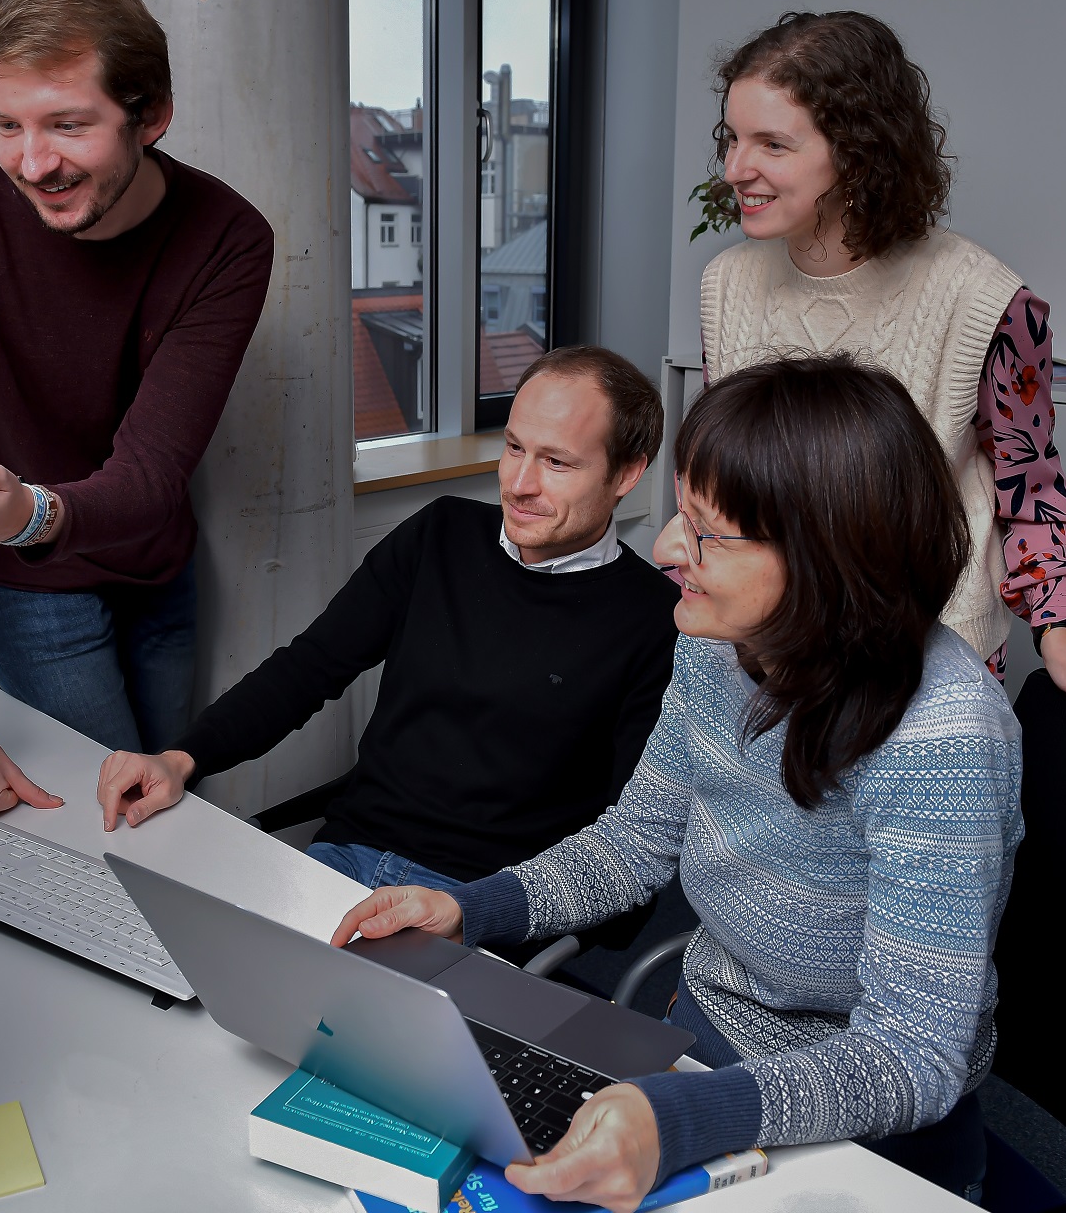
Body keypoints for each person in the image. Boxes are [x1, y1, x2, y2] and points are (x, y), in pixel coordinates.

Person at [335, 354, 1023, 1210]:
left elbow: (914, 1056)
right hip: (698, 1039)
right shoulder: (716, 642)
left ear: (828, 559)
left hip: (863, 1126)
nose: (665, 549)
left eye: (707, 533)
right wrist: (473, 908)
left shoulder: (942, 740)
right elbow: (635, 843)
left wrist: (684, 1117)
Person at [0, 0, 274, 820]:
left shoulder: (227, 239)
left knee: (172, 808)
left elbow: (150, 474)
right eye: (6, 124)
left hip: (152, 563)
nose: (32, 162)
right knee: (102, 829)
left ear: (150, 117)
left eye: (67, 125)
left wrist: (32, 512)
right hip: (20, 584)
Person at [95, 347, 680, 891]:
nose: (519, 484)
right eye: (513, 448)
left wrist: (492, 914)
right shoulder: (442, 533)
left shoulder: (653, 619)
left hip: (482, 899)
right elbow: (309, 667)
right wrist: (181, 757)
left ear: (627, 474)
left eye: (556, 462)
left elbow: (630, 835)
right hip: (350, 855)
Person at [694, 10, 1066, 720]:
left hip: (922, 661)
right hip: (764, 650)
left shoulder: (986, 300)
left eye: (771, 144)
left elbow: (1031, 489)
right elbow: (724, 479)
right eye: (733, 138)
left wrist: (1062, 637)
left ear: (857, 151)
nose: (734, 170)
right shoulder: (727, 284)